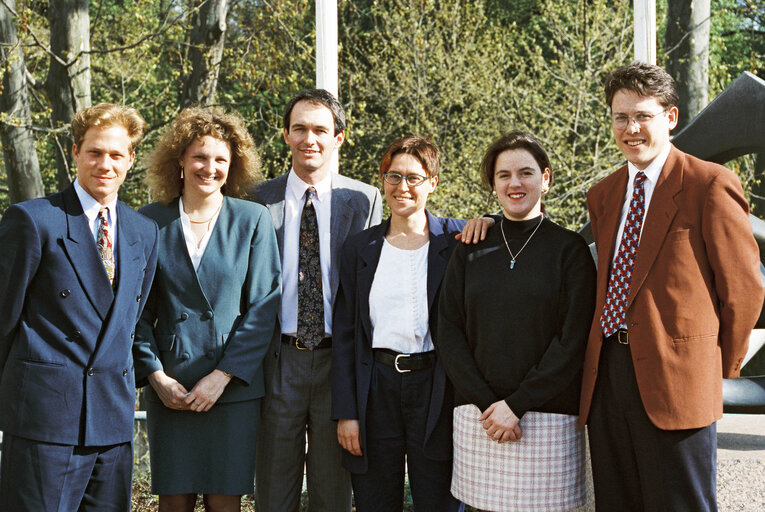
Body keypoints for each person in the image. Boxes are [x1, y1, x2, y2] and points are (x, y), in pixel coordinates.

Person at [579, 62, 764, 511]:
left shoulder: (709, 184)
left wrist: (713, 367)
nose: (631, 128)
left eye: (643, 116)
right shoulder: (603, 195)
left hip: (679, 381)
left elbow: (744, 290)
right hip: (608, 378)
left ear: (670, 118)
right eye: (621, 117)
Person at [0, 103, 158, 511]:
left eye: (116, 154)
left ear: (131, 160)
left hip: (112, 420)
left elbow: (128, 322)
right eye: (95, 152)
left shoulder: (144, 231)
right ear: (75, 152)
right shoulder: (34, 220)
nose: (105, 164)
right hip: (44, 422)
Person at [438, 131, 595, 512]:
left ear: (546, 178)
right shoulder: (471, 247)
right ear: (493, 185)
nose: (515, 183)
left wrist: (518, 403)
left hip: (548, 418)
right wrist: (490, 404)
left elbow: (572, 341)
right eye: (504, 175)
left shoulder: (569, 250)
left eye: (526, 173)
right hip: (481, 418)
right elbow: (448, 331)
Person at [133, 107, 280, 512]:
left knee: (224, 503)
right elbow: (135, 313)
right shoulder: (149, 221)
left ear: (233, 164)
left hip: (232, 388)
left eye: (220, 159)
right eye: (199, 156)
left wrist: (223, 375)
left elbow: (264, 306)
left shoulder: (253, 219)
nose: (209, 167)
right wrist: (155, 375)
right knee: (174, 503)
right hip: (171, 388)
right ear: (179, 159)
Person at [333, 136, 491, 511]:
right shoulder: (359, 248)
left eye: (414, 178)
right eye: (393, 176)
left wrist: (490, 219)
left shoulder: (457, 239)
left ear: (433, 182)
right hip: (376, 390)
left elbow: (512, 227)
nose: (402, 187)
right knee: (374, 500)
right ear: (382, 180)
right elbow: (345, 335)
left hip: (437, 387)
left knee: (439, 500)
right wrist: (347, 412)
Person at [252, 88, 383, 512]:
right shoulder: (254, 200)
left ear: (338, 138)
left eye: (320, 130)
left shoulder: (365, 200)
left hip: (337, 363)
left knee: (332, 493)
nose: (310, 138)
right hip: (278, 361)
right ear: (286, 135)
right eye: (300, 129)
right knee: (273, 492)